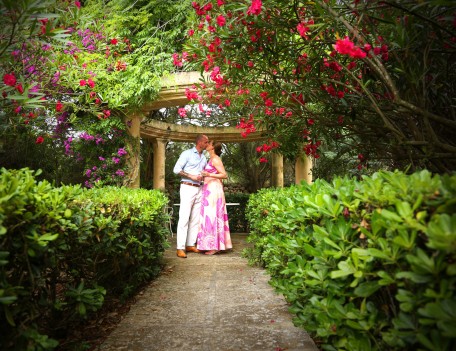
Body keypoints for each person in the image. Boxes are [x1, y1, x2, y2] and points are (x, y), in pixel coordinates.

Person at [173, 134, 209, 258]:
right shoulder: (186, 153)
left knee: (195, 219)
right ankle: (180, 247)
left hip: (199, 188)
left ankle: (190, 244)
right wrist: (191, 176)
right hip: (187, 187)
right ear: (200, 142)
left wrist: (203, 176)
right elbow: (176, 169)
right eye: (206, 142)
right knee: (184, 217)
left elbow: (203, 173)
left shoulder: (204, 158)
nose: (207, 144)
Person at [197, 140, 233, 255]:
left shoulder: (216, 159)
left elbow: (224, 175)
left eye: (209, 144)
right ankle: (210, 244)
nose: (206, 145)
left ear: (213, 148)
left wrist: (208, 174)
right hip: (209, 189)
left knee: (213, 215)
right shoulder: (211, 159)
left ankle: (215, 246)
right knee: (209, 215)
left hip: (214, 190)